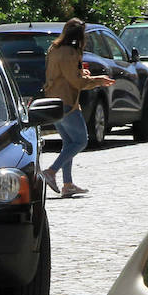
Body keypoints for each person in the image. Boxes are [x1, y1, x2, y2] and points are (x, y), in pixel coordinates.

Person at [41, 18, 115, 197]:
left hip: (53, 101)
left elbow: (65, 74)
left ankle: (68, 184)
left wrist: (83, 73)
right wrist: (98, 80)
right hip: (66, 102)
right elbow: (76, 82)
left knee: (69, 143)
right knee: (81, 141)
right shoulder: (70, 52)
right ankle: (51, 172)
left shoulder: (54, 49)